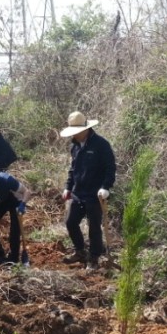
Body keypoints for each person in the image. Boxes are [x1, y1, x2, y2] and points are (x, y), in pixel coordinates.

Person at [61, 111, 116, 271]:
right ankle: (80, 251)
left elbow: (110, 168)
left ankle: (94, 258)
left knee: (94, 227)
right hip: (78, 192)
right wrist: (68, 187)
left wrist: (106, 187)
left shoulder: (101, 144)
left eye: (77, 132)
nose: (75, 135)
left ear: (85, 129)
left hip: (95, 194)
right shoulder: (74, 146)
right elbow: (73, 169)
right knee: (71, 222)